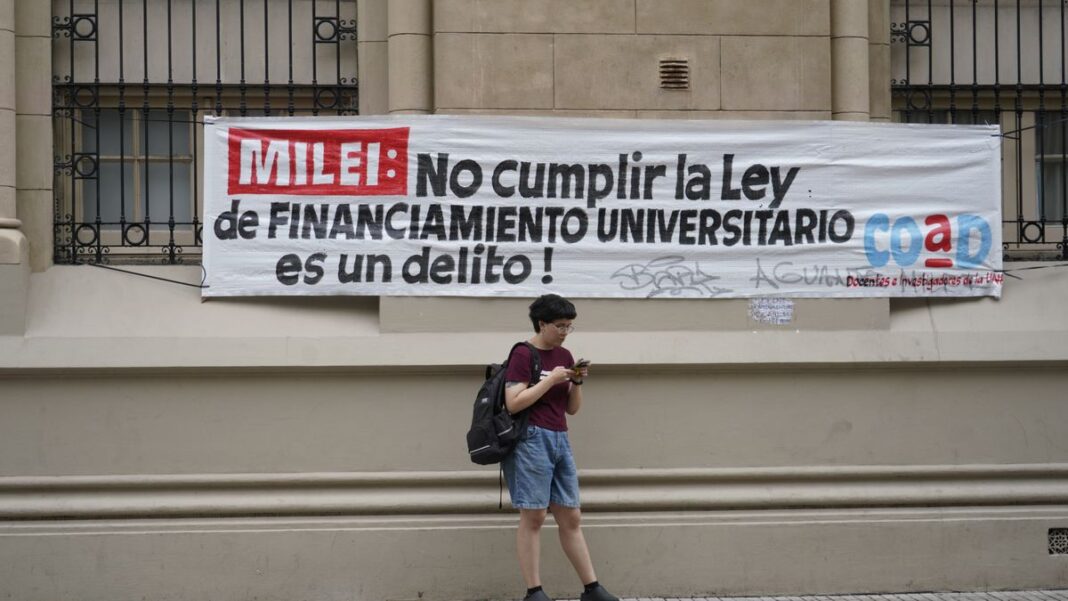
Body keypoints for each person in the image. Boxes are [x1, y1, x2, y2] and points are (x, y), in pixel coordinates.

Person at [502, 294, 619, 601]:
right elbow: (513, 403)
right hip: (530, 439)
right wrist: (551, 379)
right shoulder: (523, 354)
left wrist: (576, 382)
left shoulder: (565, 354)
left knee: (571, 516)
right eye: (560, 325)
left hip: (559, 438)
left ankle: (592, 589)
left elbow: (572, 409)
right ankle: (534, 591)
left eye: (569, 326)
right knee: (534, 516)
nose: (565, 332)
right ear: (542, 324)